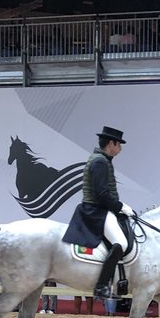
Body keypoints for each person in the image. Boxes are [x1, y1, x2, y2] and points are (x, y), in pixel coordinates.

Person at [61, 126, 134, 299]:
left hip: (99, 208)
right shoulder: (100, 162)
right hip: (95, 210)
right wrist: (120, 207)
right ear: (111, 144)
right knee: (121, 243)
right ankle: (101, 286)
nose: (120, 149)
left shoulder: (103, 160)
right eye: (119, 145)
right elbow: (102, 195)